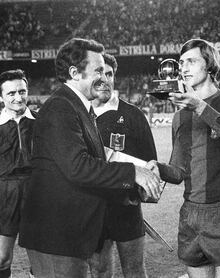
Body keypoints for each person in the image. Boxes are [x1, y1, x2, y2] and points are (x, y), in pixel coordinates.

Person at [18, 38, 161, 278]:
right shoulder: (61, 107)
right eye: (97, 71)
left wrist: (146, 169)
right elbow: (78, 167)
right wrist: (132, 173)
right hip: (57, 236)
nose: (104, 78)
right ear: (75, 72)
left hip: (69, 233)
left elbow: (99, 157)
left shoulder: (78, 107)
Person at [148, 39, 220, 278]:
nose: (183, 68)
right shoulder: (179, 117)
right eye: (181, 62)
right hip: (190, 215)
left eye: (192, 61)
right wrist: (158, 168)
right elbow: (178, 171)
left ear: (210, 65)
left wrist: (199, 106)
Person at [88, 53, 157, 278]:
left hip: (127, 208)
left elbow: (151, 165)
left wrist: (141, 191)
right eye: (100, 73)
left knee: (135, 271)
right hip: (92, 209)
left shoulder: (133, 115)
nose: (106, 79)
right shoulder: (78, 115)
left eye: (110, 74)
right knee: (99, 270)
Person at [0, 70, 35, 278]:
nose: (18, 97)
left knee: (40, 258)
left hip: (37, 192)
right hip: (5, 194)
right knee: (2, 257)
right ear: (1, 97)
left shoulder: (41, 122)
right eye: (11, 93)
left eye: (22, 91)